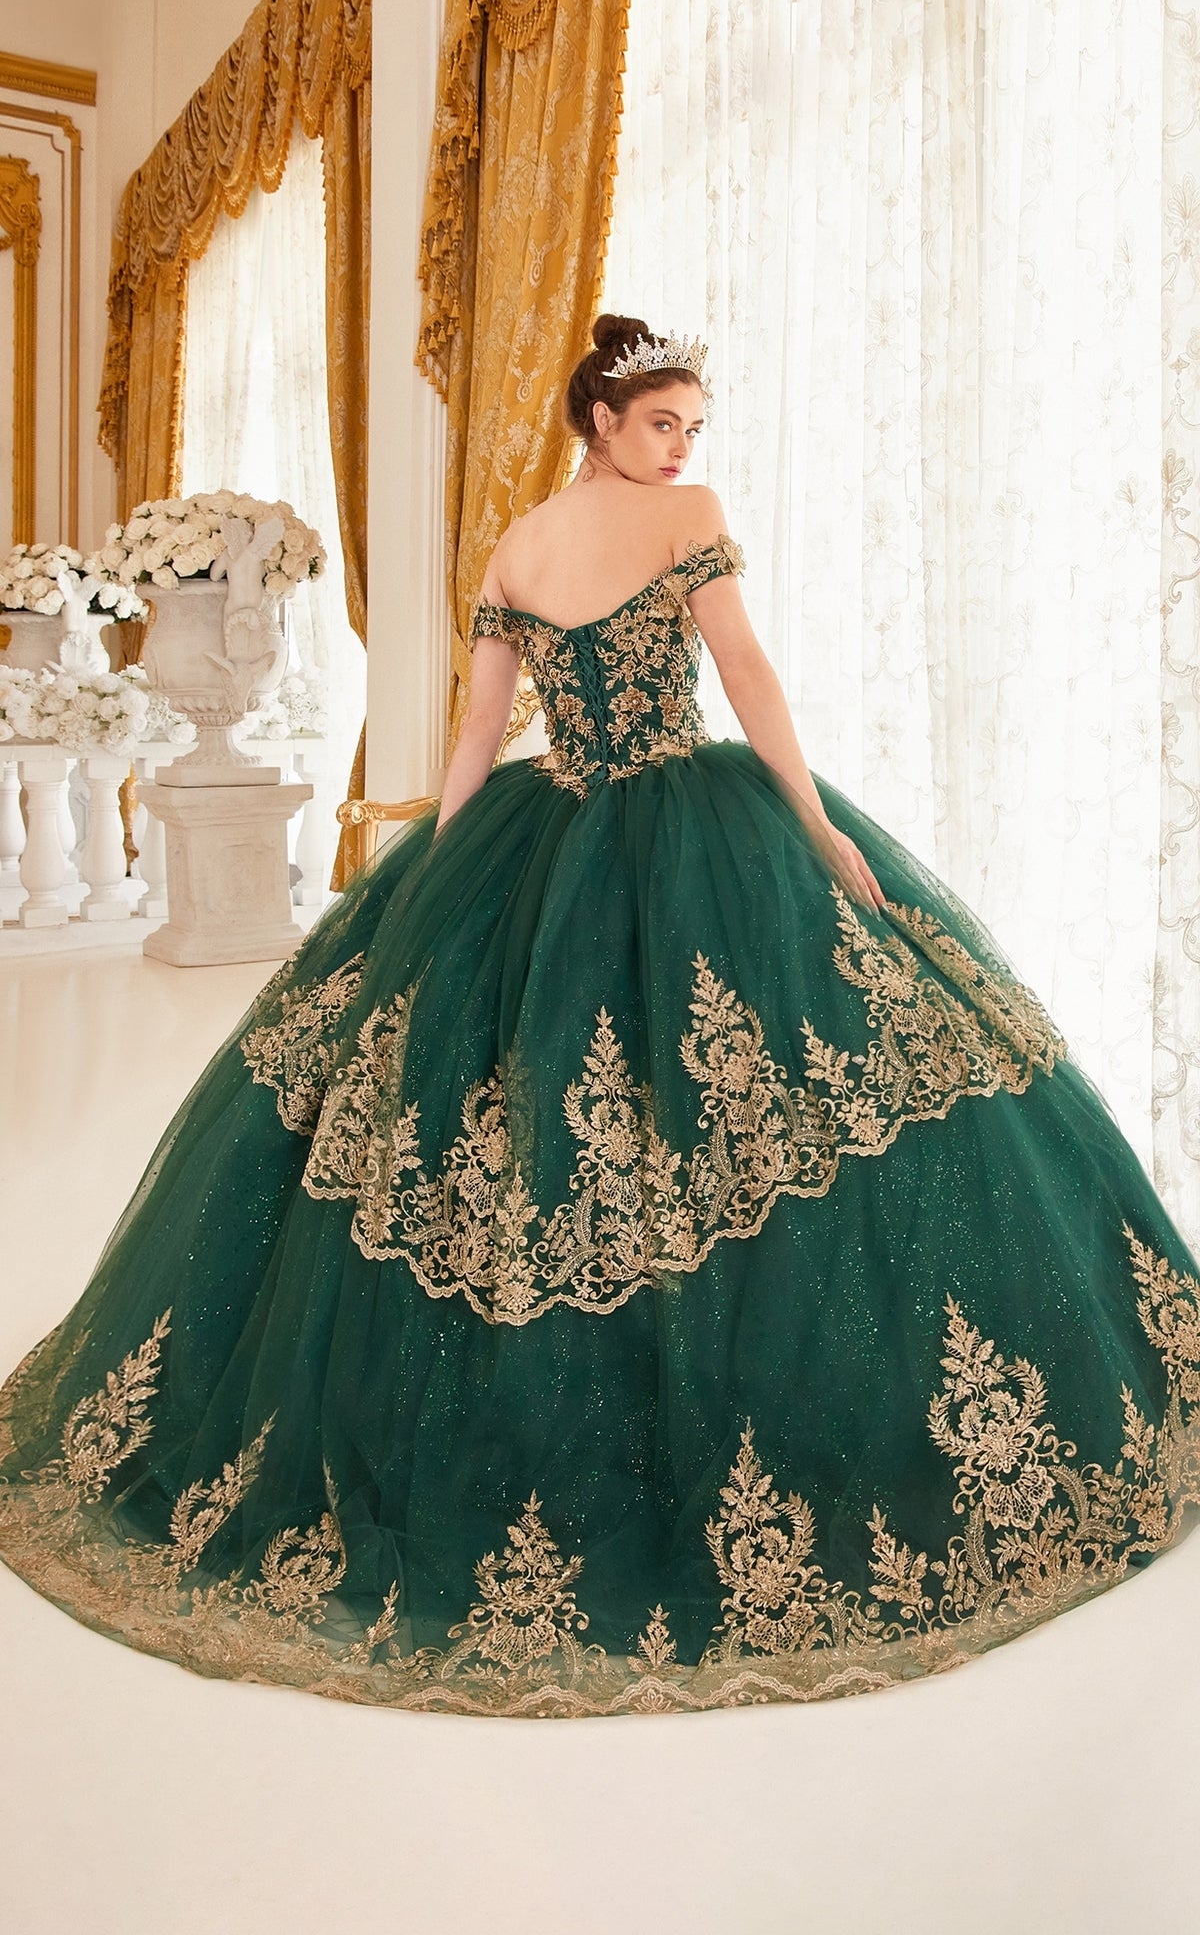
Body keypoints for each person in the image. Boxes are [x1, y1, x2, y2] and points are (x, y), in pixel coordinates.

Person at [1, 313, 1197, 1720]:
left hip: (548, 831)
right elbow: (742, 680)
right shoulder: (680, 522)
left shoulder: (517, 544)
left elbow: (476, 735)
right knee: (751, 1105)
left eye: (694, 426)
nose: (683, 446)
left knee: (567, 1144)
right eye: (660, 423)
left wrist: (438, 881)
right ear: (602, 424)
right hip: (694, 831)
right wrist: (815, 830)